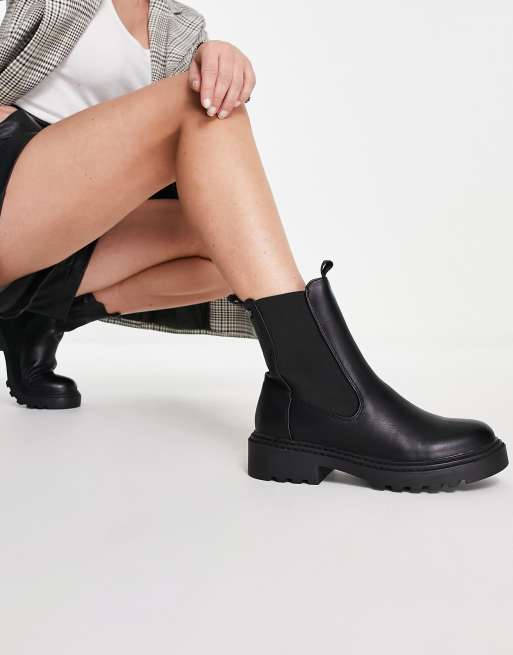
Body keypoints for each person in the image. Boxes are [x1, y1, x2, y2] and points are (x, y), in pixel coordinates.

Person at [0, 0, 507, 491]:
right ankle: (325, 395)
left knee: (228, 248)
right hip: (12, 179)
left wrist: (217, 58)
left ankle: (39, 313)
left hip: (75, 221)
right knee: (193, 101)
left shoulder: (180, 25)